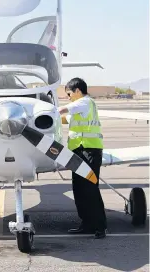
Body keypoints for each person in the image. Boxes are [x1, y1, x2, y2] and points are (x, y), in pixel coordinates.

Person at [58, 77, 107, 239]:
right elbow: (64, 118)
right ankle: (86, 224)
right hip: (78, 151)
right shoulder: (78, 107)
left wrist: (45, 111)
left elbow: (62, 111)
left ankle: (100, 226)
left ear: (78, 91)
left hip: (89, 150)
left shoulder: (85, 102)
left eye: (69, 93)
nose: (68, 97)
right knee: (78, 188)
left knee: (90, 188)